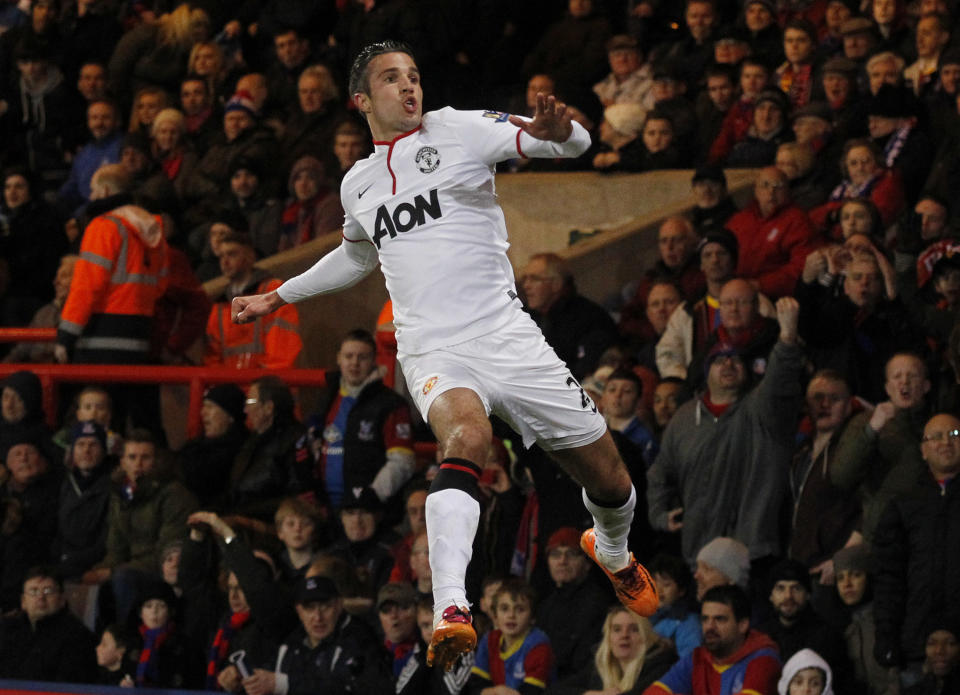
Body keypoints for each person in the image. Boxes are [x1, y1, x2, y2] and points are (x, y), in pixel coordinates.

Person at [231, 41, 659, 671]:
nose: (409, 88)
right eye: (391, 79)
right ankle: (452, 608)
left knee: (612, 482)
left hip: (509, 337)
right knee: (466, 441)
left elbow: (571, 146)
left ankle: (615, 552)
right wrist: (278, 295)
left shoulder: (458, 129)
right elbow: (356, 255)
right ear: (360, 100)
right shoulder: (358, 184)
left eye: (414, 76)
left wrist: (560, 132)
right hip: (433, 347)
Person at [873, 412, 960, 681]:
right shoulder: (904, 504)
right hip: (916, 645)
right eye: (936, 436)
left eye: (955, 435)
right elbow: (888, 577)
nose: (946, 442)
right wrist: (887, 636)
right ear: (923, 450)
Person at [310, 328, 414, 512]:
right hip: (325, 510)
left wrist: (372, 496)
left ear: (374, 361)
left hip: (368, 511)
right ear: (339, 359)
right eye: (349, 356)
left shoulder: (391, 404)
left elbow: (402, 462)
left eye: (362, 357)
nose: (354, 363)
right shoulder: (327, 397)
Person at [243, 575, 392, 695]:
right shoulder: (291, 643)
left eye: (325, 607)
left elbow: (346, 686)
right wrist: (245, 678)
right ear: (299, 611)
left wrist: (284, 684)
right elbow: (268, 674)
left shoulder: (358, 639)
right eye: (309, 608)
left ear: (339, 605)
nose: (318, 617)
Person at [643, 584, 781, 695]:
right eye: (705, 619)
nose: (710, 627)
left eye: (719, 619)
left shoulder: (764, 659)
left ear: (742, 625)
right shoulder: (697, 658)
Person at [203, 230, 302, 369]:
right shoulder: (219, 307)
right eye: (221, 256)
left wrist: (261, 387)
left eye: (232, 254)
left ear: (250, 256)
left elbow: (282, 350)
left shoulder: (273, 291)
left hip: (267, 385)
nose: (225, 261)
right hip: (232, 387)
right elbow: (212, 360)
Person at [521, 251, 619, 380]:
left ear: (556, 284)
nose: (526, 286)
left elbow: (583, 370)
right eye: (525, 279)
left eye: (534, 279)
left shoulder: (589, 318)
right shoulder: (523, 317)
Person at [725, 166, 820, 299]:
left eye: (778, 186)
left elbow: (800, 267)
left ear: (787, 190)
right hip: (734, 291)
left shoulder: (797, 221)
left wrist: (761, 285)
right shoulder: (739, 220)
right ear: (756, 190)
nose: (771, 191)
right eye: (765, 185)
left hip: (773, 297)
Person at [535, 527, 611, 680]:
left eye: (571, 554)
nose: (562, 561)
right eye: (555, 554)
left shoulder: (598, 604)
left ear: (587, 563)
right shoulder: (544, 606)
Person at [0, 566, 98, 683]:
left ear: (62, 599)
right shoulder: (7, 629)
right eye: (33, 591)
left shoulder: (77, 636)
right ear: (23, 601)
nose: (41, 597)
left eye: (48, 591)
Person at [550, 607, 675, 695]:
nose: (624, 635)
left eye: (634, 629)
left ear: (646, 636)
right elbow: (554, 691)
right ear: (608, 638)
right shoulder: (599, 668)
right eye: (617, 629)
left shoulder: (660, 667)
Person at [468, 578, 555, 693]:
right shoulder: (490, 639)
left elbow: (532, 691)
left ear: (533, 617)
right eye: (504, 609)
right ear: (495, 615)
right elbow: (476, 685)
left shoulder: (538, 645)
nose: (511, 615)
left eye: (520, 609)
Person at [648, 553, 701, 658]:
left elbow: (690, 664)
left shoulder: (688, 624)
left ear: (681, 590)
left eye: (666, 585)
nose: (658, 590)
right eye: (654, 583)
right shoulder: (642, 616)